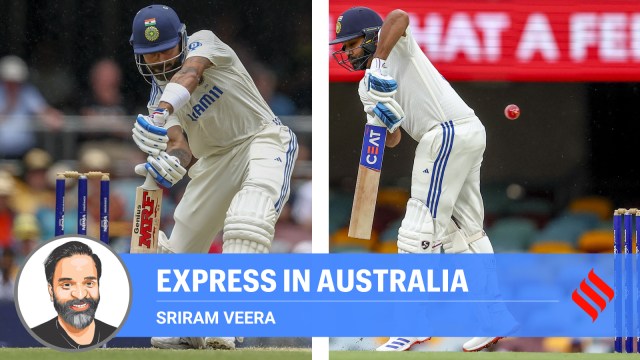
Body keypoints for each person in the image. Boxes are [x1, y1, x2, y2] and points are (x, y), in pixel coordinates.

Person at [330, 7, 516, 352]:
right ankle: (494, 316)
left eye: (352, 44)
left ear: (371, 36)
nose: (347, 52)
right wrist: (384, 114)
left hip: (446, 133)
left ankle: (411, 325)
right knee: (465, 233)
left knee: (418, 230)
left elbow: (399, 15)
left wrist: (381, 62)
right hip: (463, 134)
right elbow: (395, 138)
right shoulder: (365, 86)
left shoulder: (396, 44)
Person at [129, 5, 298, 350]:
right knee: (176, 255)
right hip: (213, 162)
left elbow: (190, 74)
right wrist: (167, 166)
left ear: (182, 39)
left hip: (261, 140)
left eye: (165, 49)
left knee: (247, 220)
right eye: (150, 54)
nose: (159, 60)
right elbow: (181, 148)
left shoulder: (204, 44)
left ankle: (231, 319)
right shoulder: (156, 97)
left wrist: (162, 111)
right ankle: (187, 326)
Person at [31, 241, 116, 349]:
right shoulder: (38, 337)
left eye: (89, 283)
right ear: (51, 291)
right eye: (67, 285)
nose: (80, 295)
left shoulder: (114, 334)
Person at [0, 55, 63, 159]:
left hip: (24, 151)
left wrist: (53, 116)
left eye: (16, 81)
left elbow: (43, 110)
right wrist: (9, 106)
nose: (12, 85)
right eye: (9, 81)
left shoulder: (27, 92)